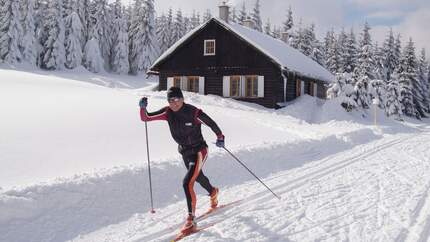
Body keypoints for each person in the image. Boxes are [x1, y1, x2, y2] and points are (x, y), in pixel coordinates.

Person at [139, 86, 225, 233]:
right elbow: (146, 118)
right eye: (170, 100)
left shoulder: (193, 112)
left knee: (187, 183)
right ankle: (213, 192)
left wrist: (220, 137)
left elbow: (211, 123)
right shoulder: (167, 112)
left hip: (199, 151)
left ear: (182, 99)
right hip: (185, 152)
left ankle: (191, 220)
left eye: (176, 99)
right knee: (197, 177)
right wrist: (142, 108)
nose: (174, 103)